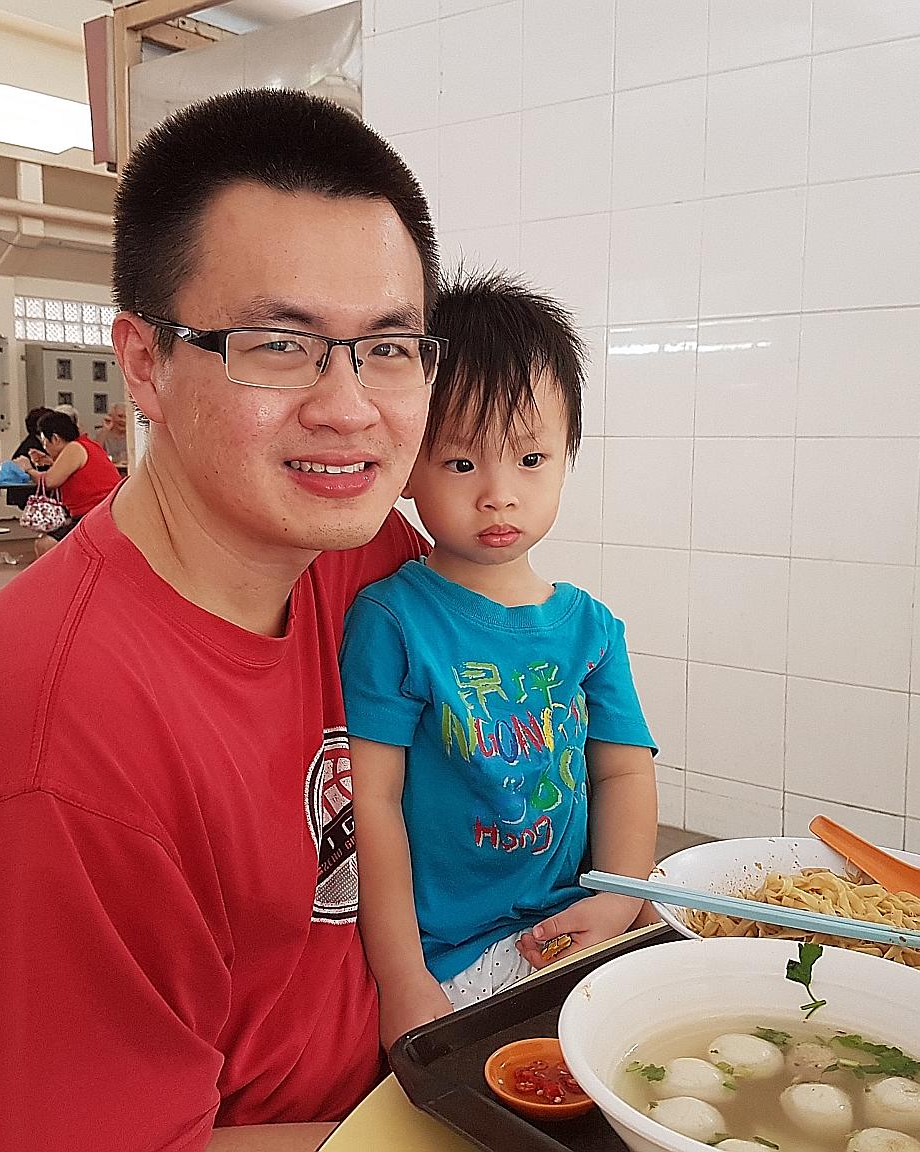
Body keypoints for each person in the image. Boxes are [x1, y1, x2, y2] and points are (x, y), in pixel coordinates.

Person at [0, 88, 442, 1152]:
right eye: (278, 344)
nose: (349, 408)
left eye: (388, 346)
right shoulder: (54, 744)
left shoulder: (368, 562)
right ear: (144, 363)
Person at [340, 272, 658, 1046]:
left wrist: (620, 899)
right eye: (460, 464)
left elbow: (623, 770)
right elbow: (370, 806)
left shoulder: (591, 628)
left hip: (578, 920)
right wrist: (405, 978)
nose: (498, 496)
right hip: (454, 953)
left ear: (567, 457)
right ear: (409, 464)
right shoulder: (393, 619)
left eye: (530, 458)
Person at [13, 409, 122, 555]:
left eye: (45, 442)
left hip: (96, 514)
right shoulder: (86, 445)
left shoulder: (74, 448)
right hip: (102, 511)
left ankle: (60, 578)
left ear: (56, 439)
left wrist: (27, 468)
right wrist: (50, 461)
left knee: (45, 544)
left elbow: (49, 481)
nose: (45, 447)